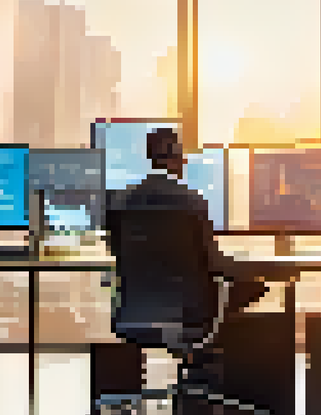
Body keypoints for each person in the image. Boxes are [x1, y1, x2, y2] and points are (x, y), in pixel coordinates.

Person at [110, 128, 268, 325]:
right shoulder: (190, 201)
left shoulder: (119, 201)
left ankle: (204, 351)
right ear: (177, 158)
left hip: (133, 311)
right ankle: (217, 353)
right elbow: (215, 263)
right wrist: (259, 268)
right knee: (253, 287)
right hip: (188, 311)